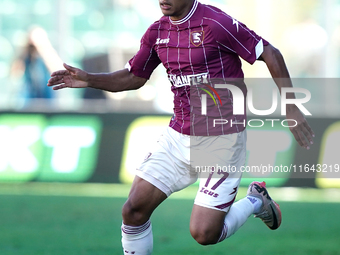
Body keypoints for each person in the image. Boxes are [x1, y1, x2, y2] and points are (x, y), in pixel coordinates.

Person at [47, 0, 315, 254]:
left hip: (222, 138)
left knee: (204, 233)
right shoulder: (157, 32)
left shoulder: (215, 23)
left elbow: (269, 52)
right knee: (133, 210)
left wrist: (290, 106)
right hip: (178, 135)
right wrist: (89, 79)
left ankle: (256, 200)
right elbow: (133, 76)